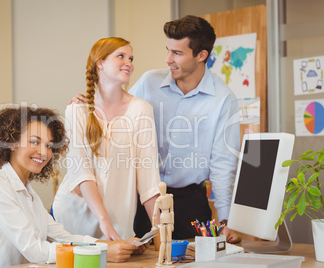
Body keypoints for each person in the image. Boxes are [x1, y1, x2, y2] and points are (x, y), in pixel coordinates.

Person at [71, 16, 241, 243]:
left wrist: (226, 220)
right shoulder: (149, 82)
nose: (167, 59)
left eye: (177, 53)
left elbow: (223, 164)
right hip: (140, 200)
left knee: (193, 261)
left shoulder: (223, 99)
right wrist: (90, 103)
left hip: (189, 202)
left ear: (201, 56)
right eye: (168, 50)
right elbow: (117, 108)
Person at [0, 106, 143, 267]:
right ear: (11, 142)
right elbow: (35, 251)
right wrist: (102, 252)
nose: (44, 152)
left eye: (48, 145)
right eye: (35, 142)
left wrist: (118, 245)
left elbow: (63, 237)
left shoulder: (28, 193)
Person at [53, 37, 161, 241]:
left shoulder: (141, 109)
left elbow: (149, 181)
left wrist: (161, 235)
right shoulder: (77, 110)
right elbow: (82, 172)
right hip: (74, 218)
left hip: (119, 223)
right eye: (121, 56)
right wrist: (104, 222)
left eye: (131, 58)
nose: (128, 62)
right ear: (99, 63)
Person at [153, 182, 174, 266]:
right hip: (168, 218)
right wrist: (172, 223)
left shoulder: (159, 199)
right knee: (169, 242)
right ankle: (168, 261)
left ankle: (160, 261)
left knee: (163, 242)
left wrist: (154, 225)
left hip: (162, 218)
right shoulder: (170, 197)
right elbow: (172, 211)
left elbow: (154, 215)